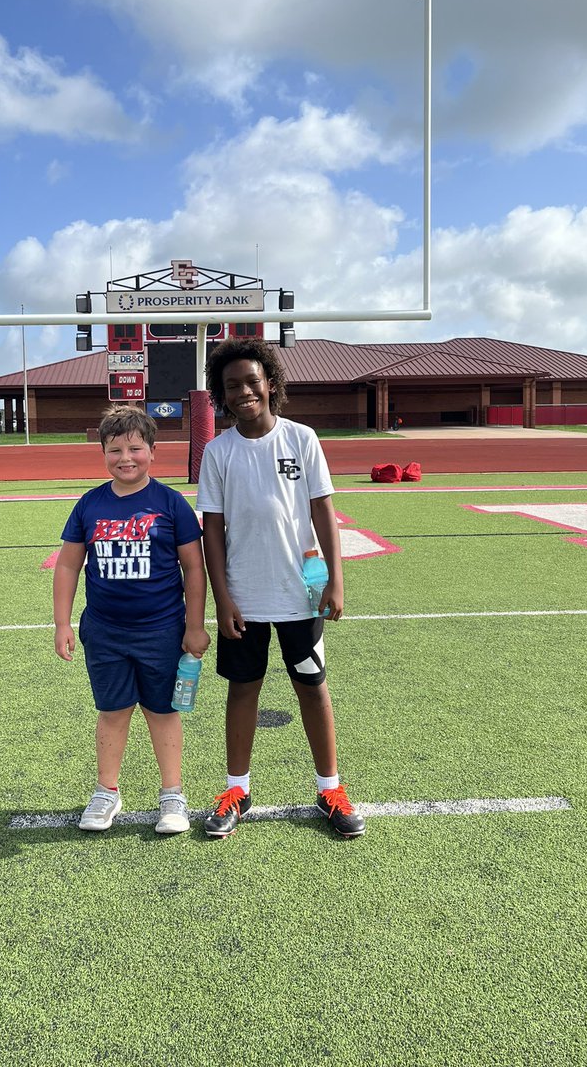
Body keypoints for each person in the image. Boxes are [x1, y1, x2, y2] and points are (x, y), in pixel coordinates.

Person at [196, 338, 365, 839]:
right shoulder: (218, 452)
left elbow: (323, 511)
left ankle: (330, 788)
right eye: (232, 386)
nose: (243, 392)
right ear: (221, 395)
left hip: (301, 592)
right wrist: (223, 598)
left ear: (270, 383)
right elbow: (212, 529)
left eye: (252, 381)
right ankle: (237, 790)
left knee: (312, 687)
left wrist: (335, 580)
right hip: (244, 594)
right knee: (242, 689)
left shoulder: (302, 439)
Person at [53, 405, 209, 835]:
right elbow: (68, 564)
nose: (126, 458)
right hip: (105, 631)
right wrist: (62, 623)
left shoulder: (170, 503)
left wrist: (195, 625)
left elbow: (194, 568)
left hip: (162, 631)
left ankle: (172, 794)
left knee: (163, 711)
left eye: (135, 448)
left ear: (153, 452)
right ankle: (107, 791)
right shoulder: (90, 504)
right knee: (113, 711)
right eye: (115, 450)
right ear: (103, 453)